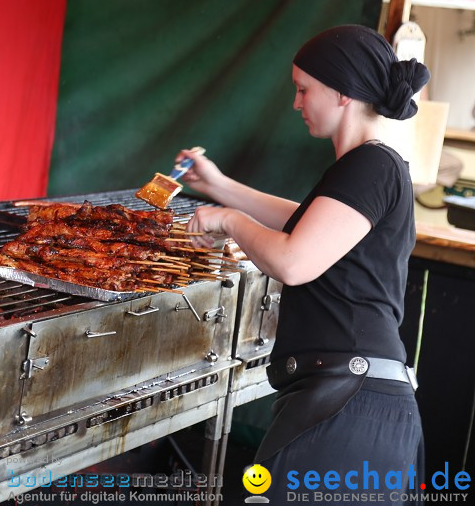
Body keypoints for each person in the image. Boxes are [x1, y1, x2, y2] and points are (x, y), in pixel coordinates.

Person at [177, 24, 429, 493]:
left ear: (341, 92)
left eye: (303, 89)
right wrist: (218, 186)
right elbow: (308, 223)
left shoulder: (372, 165)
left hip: (351, 404)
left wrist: (228, 219)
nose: (296, 103)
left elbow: (295, 259)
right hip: (355, 402)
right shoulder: (367, 167)